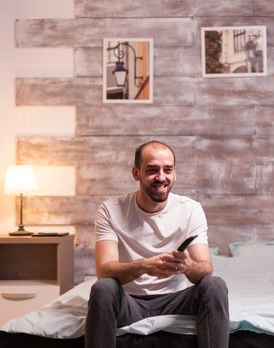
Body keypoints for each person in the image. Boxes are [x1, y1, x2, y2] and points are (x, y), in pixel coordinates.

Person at [85, 140, 229, 348]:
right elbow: (104, 270)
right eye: (152, 170)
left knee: (215, 285)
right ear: (136, 173)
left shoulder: (191, 210)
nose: (161, 177)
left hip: (176, 301)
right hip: (129, 302)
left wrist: (188, 266)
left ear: (174, 173)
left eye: (167, 170)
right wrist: (145, 266)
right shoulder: (110, 210)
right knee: (104, 287)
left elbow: (205, 268)